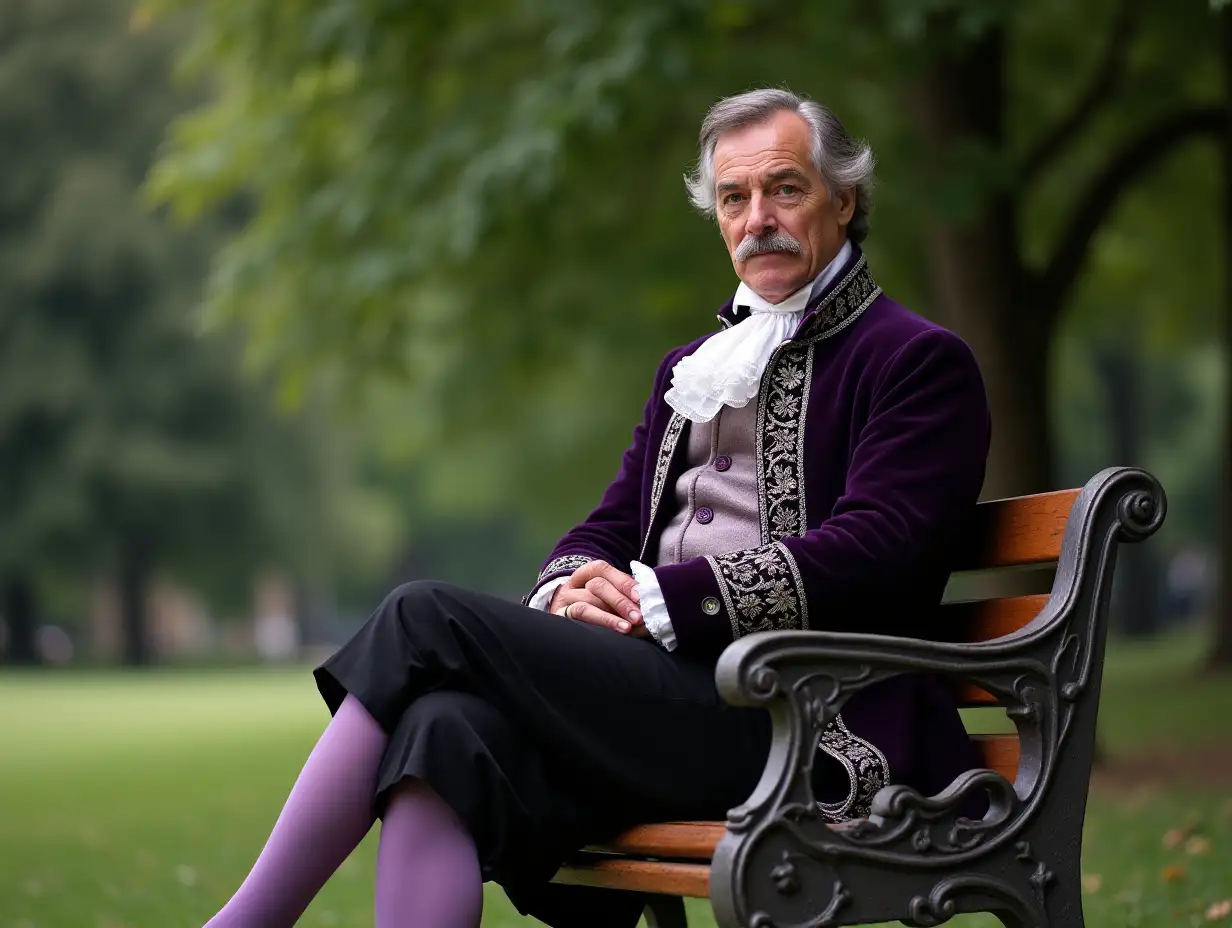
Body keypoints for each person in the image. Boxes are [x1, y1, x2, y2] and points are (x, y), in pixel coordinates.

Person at [201, 88, 992, 928]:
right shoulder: (691, 368)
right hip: (664, 707)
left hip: (806, 724)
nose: (757, 217)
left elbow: (882, 550)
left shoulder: (917, 361)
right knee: (440, 730)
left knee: (421, 617)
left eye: (785, 189)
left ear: (843, 199)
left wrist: (663, 602)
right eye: (734, 197)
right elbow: (609, 524)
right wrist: (574, 586)